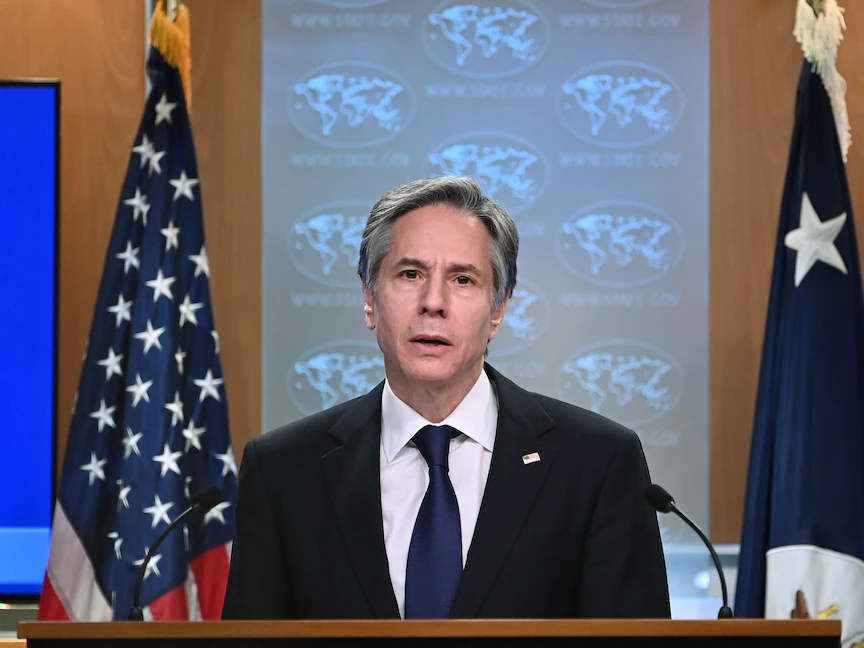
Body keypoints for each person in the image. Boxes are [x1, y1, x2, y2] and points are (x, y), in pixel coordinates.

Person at [222, 176, 670, 620]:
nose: (433, 301)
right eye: (410, 274)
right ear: (369, 299)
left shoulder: (597, 462)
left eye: (463, 279)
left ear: (498, 310)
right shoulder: (282, 471)